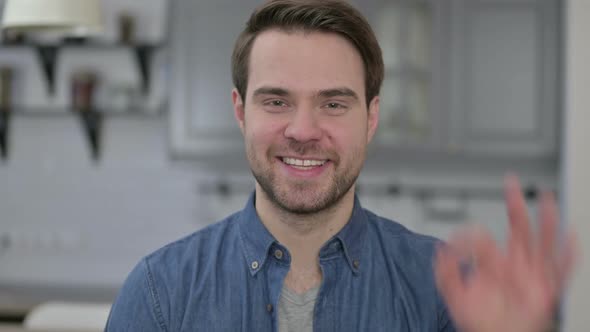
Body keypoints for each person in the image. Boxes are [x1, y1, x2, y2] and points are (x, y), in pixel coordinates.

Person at [105, 0, 577, 331]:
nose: (303, 130)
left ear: (371, 117)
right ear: (240, 111)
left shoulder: (445, 290)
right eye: (276, 101)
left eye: (333, 104)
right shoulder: (159, 294)